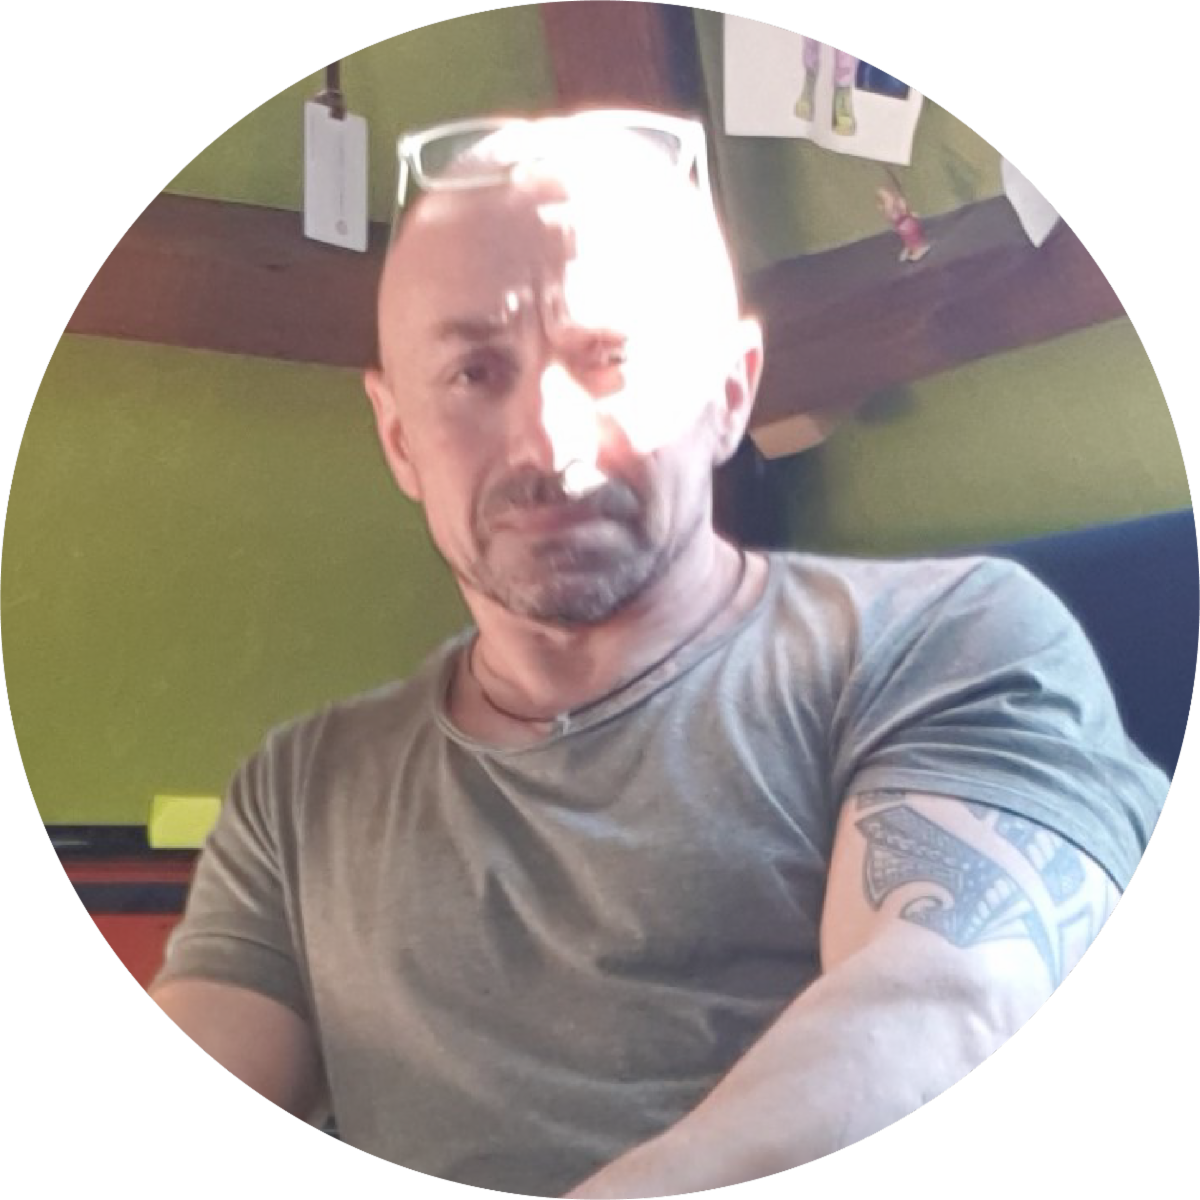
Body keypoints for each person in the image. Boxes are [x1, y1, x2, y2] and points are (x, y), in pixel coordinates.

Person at [149, 109, 1167, 1198]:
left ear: (729, 391)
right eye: (475, 373)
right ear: (399, 436)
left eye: (610, 359)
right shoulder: (300, 793)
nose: (549, 441)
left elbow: (949, 1008)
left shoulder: (947, 639)